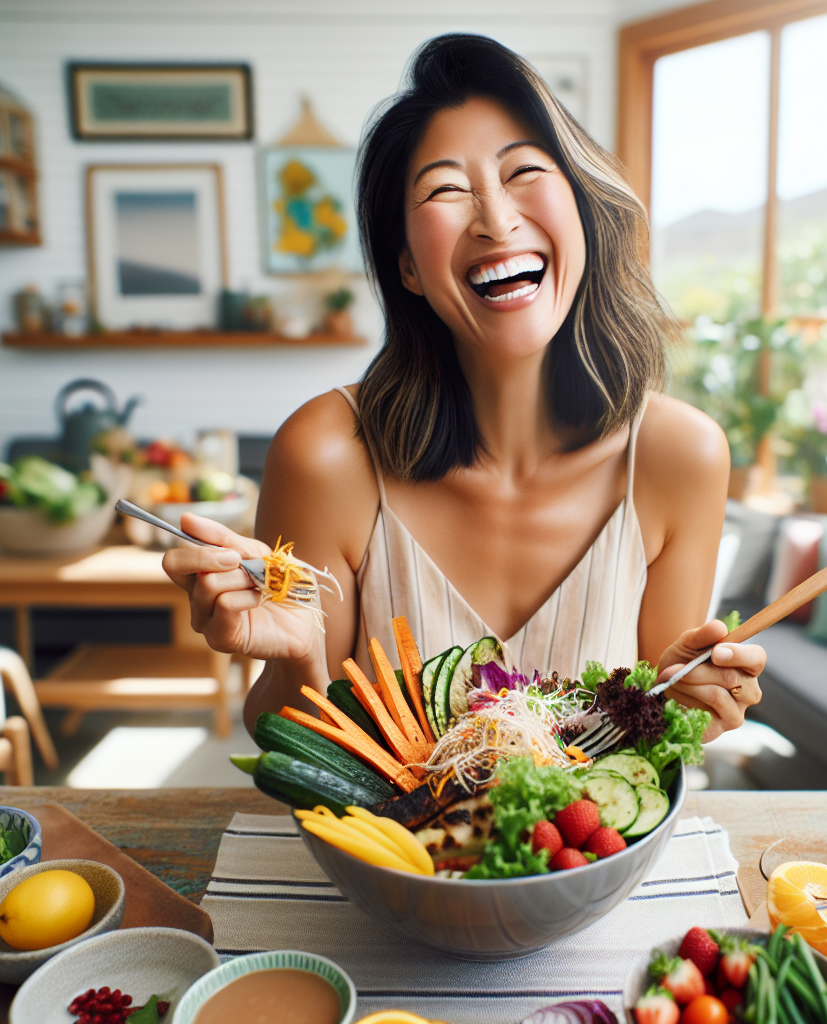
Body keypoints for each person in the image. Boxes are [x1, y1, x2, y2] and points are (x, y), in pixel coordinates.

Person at [163, 34, 765, 744]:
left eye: (525, 172)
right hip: (389, 857)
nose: (496, 218)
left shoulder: (679, 456)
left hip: (589, 858)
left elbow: (656, 727)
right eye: (446, 190)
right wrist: (296, 656)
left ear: (583, 213)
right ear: (409, 268)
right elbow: (294, 744)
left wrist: (695, 701)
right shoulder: (323, 455)